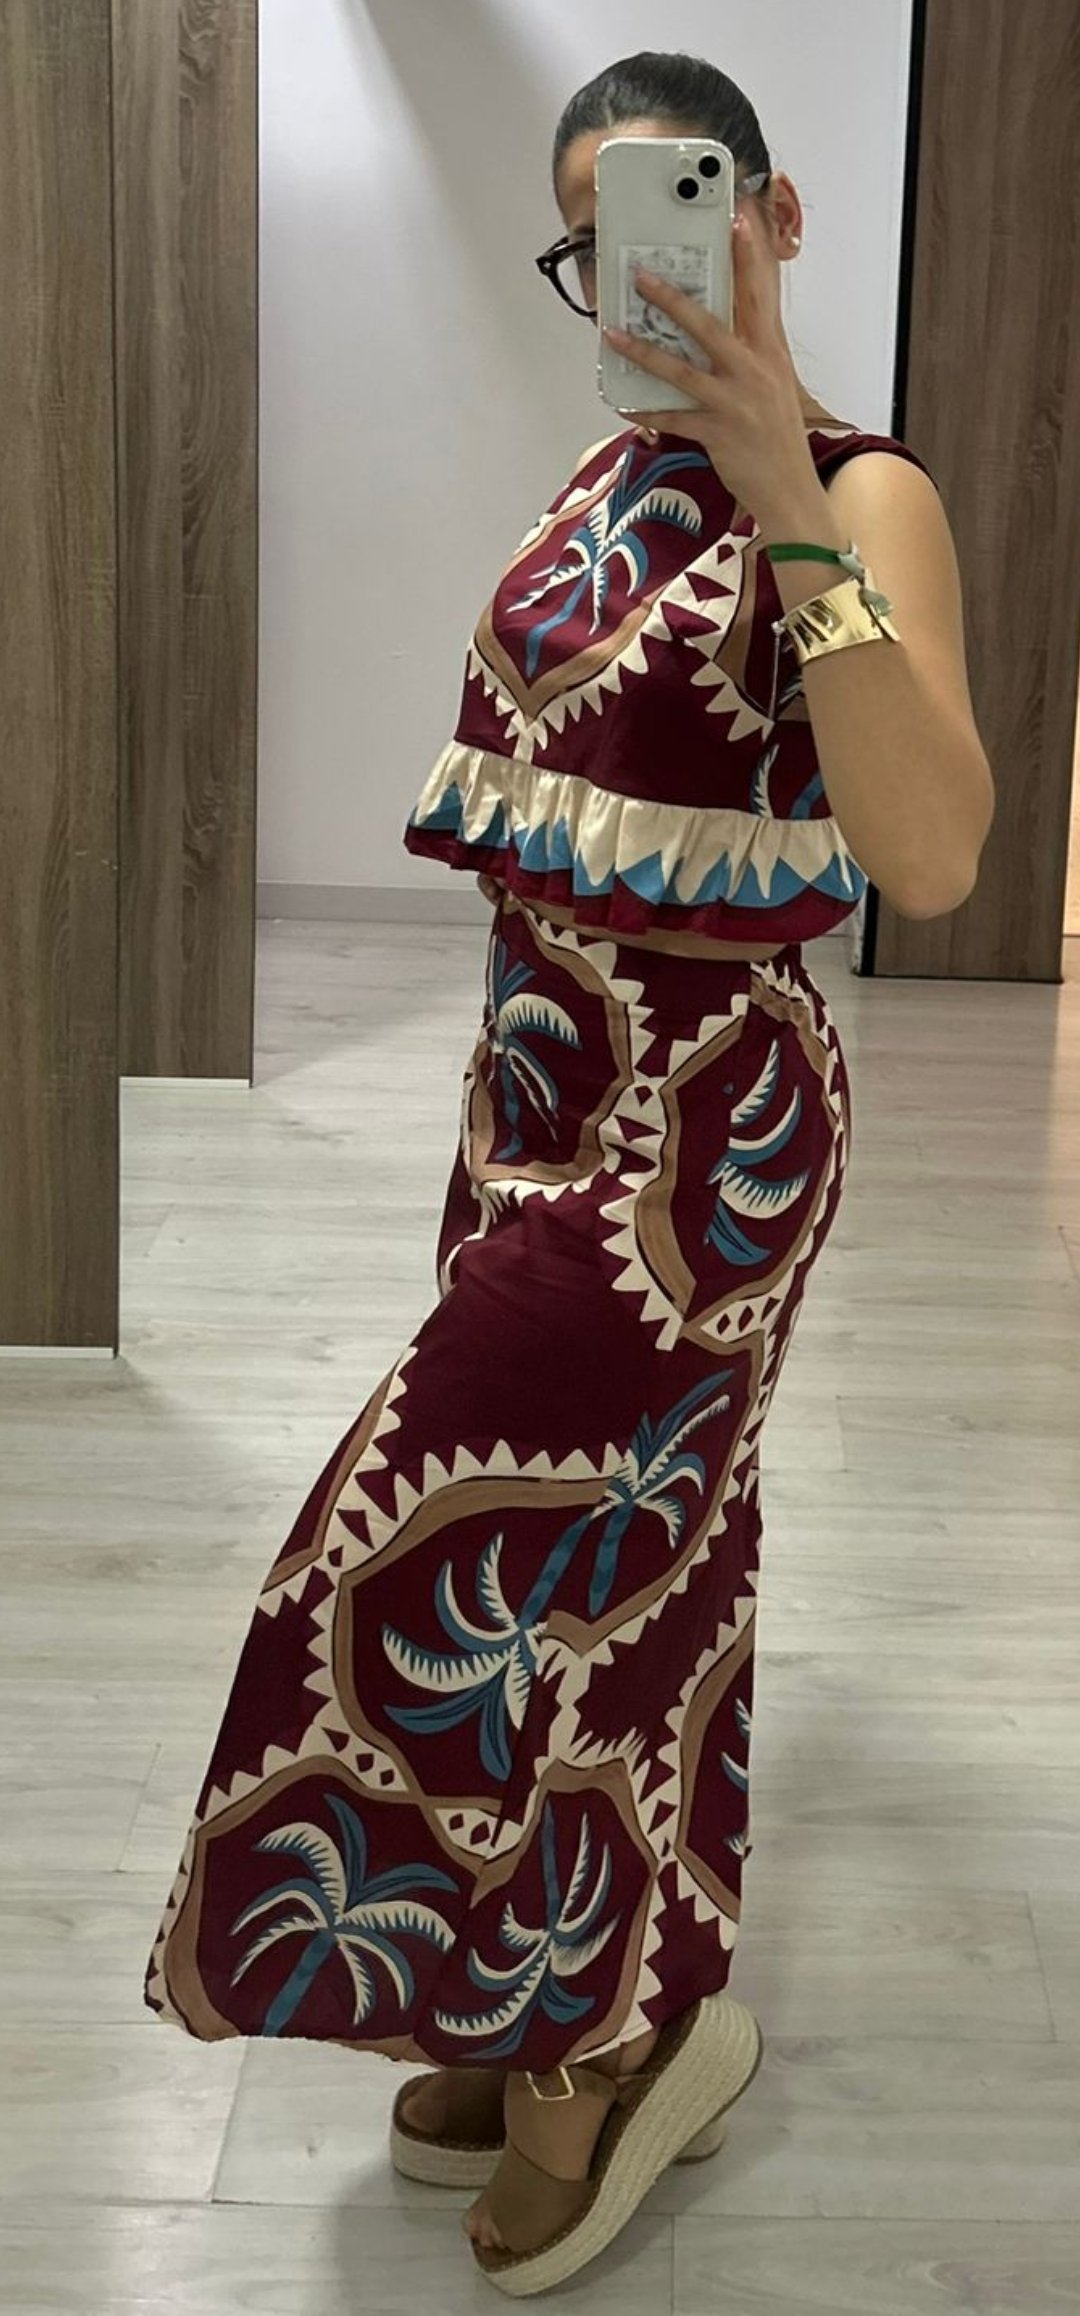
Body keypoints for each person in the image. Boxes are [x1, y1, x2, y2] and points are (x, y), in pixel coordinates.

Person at [142, 48, 992, 2301]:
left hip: (703, 1142)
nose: (644, 282)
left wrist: (780, 490)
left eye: (683, 222)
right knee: (647, 1578)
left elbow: (928, 851)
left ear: (776, 218)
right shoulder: (595, 485)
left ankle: (594, 2040)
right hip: (526, 1106)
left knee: (429, 1555)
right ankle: (613, 1994)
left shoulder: (866, 491)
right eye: (594, 250)